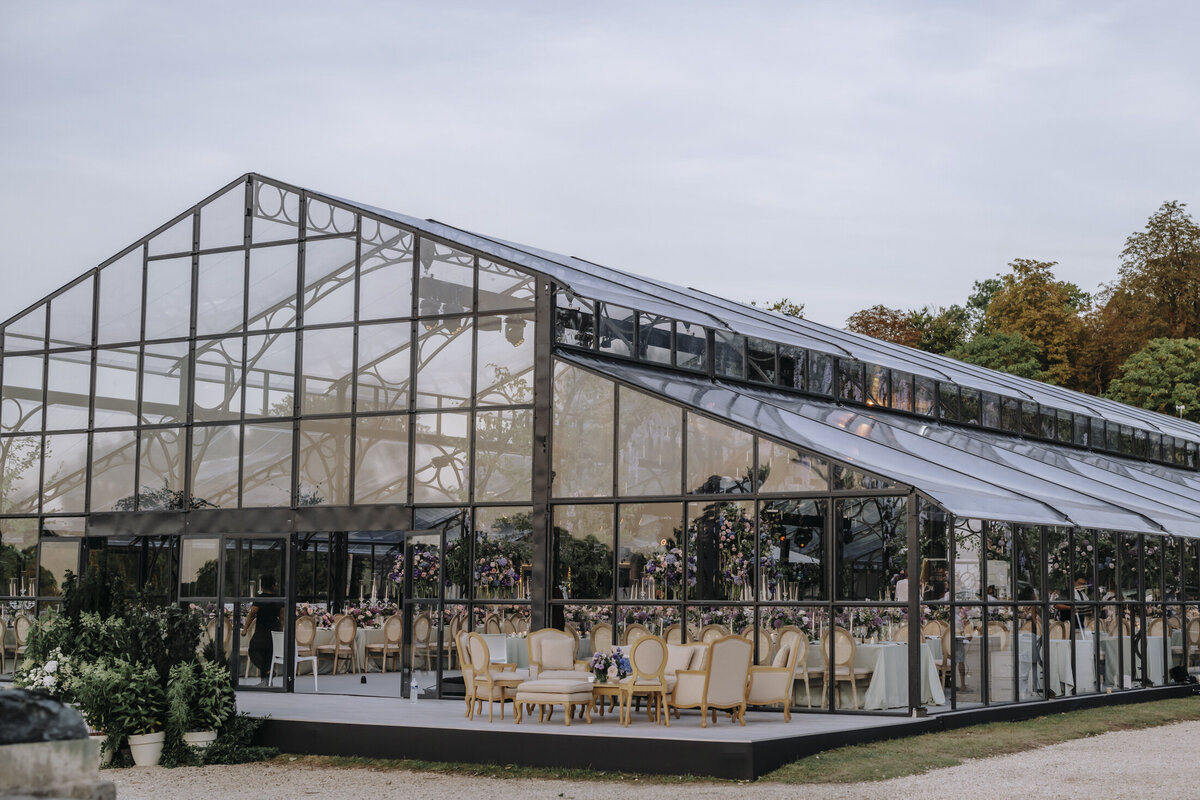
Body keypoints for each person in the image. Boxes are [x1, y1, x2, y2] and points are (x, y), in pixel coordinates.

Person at [242, 574, 285, 687]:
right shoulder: (279, 599)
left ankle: (267, 674)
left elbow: (251, 614)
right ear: (273, 585)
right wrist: (281, 631)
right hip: (274, 630)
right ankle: (266, 680)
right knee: (268, 655)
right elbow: (282, 618)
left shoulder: (260, 598)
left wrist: (245, 629)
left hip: (262, 629)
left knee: (253, 651)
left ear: (263, 585)